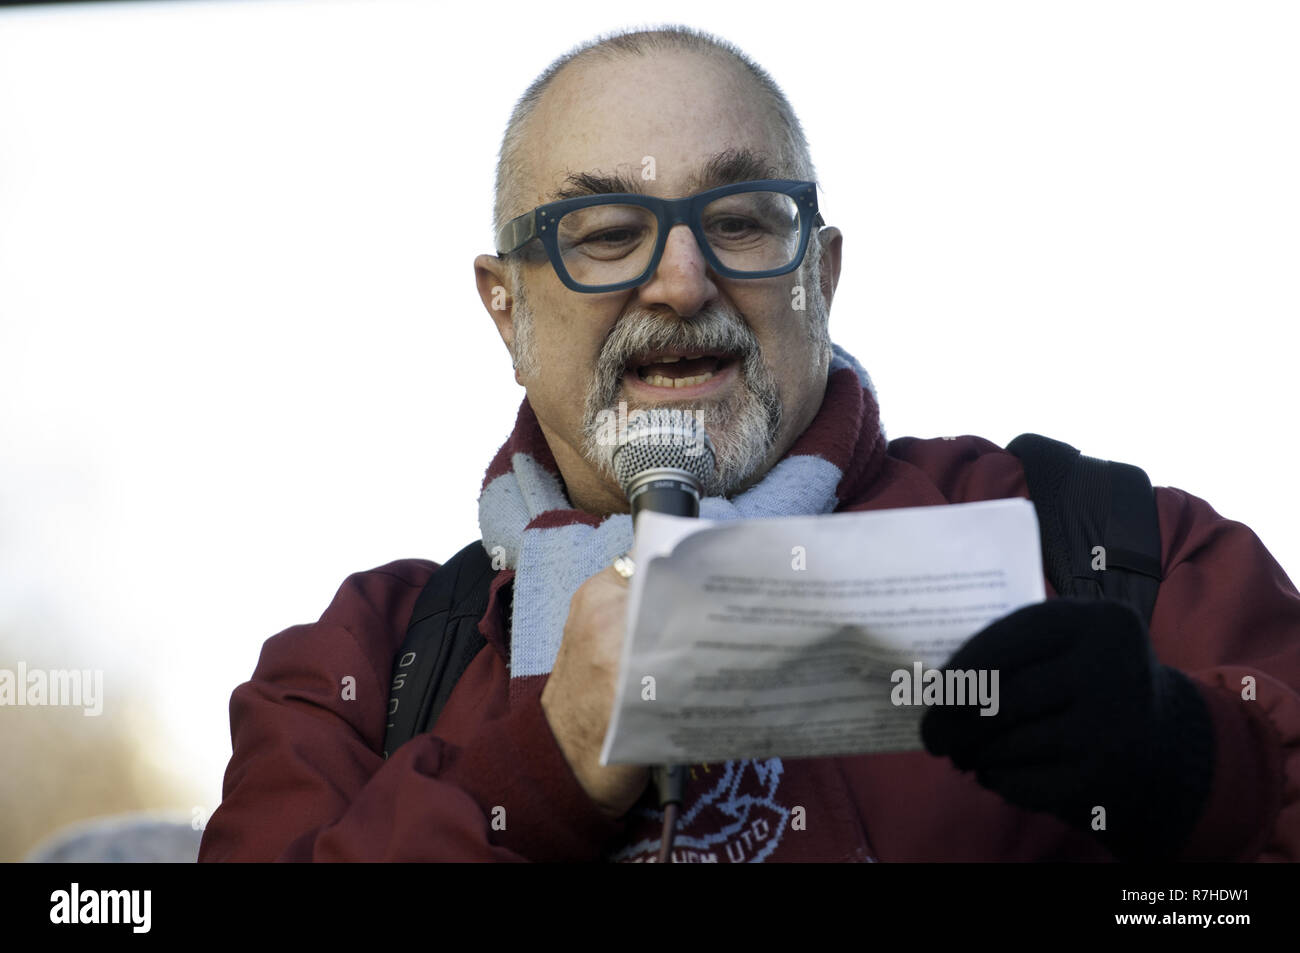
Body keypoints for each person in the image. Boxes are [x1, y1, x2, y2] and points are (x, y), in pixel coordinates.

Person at [198, 25, 1299, 863]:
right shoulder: (363, 666)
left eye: (739, 220)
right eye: (604, 234)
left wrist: (1194, 759)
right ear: (504, 308)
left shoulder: (1111, 547)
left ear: (819, 273)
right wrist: (538, 768)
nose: (680, 281)